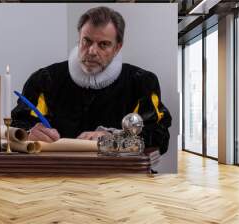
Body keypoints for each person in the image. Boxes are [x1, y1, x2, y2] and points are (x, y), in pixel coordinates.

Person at [11, 6, 172, 155]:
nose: (92, 51)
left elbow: (160, 137)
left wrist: (113, 138)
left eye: (103, 44)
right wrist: (29, 133)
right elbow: (16, 126)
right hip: (56, 174)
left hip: (118, 178)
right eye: (86, 41)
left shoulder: (141, 82)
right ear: (79, 39)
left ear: (117, 48)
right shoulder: (45, 79)